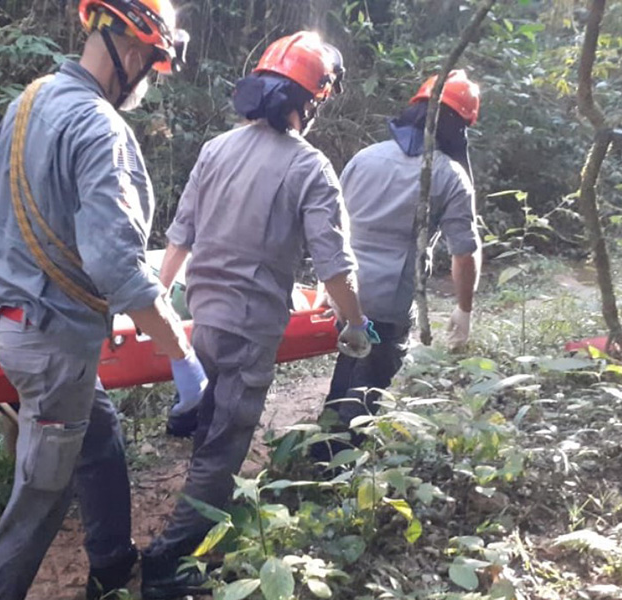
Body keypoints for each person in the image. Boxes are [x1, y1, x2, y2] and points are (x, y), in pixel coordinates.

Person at [0, 1, 204, 599]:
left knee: (99, 432)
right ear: (131, 51)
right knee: (41, 497)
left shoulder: (30, 101)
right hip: (51, 339)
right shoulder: (98, 126)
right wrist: (181, 358)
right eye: (151, 62)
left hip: (14, 321)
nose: (148, 78)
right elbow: (118, 264)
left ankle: (113, 563)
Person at [143, 31, 377, 599]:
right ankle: (169, 565)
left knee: (210, 422)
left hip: (201, 319)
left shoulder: (215, 149)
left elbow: (179, 237)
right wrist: (354, 325)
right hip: (250, 331)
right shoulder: (311, 167)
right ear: (310, 100)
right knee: (224, 448)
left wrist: (155, 302)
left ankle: (193, 454)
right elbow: (335, 269)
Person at [315, 69, 482, 458]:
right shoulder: (450, 175)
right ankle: (337, 469)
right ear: (460, 127)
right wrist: (464, 309)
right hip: (390, 301)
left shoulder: (364, 158)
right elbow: (464, 251)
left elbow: (331, 227)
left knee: (348, 364)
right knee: (369, 387)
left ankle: (318, 450)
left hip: (346, 291)